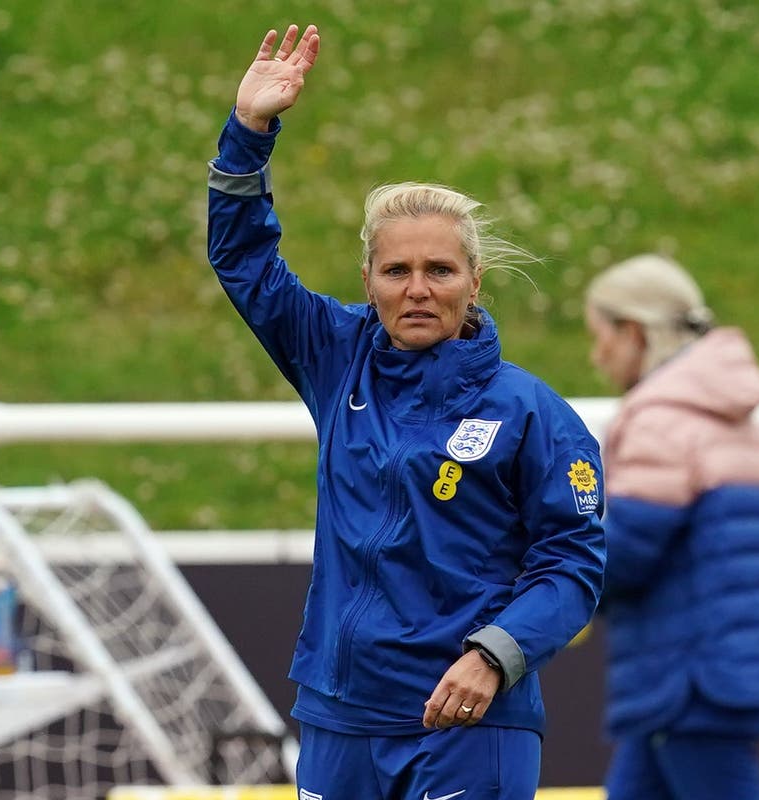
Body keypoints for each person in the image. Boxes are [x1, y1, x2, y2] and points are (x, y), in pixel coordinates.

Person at [206, 25, 606, 799]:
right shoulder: (334, 356)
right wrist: (249, 130)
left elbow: (573, 566)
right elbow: (244, 260)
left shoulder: (533, 413)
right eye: (397, 270)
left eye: (438, 269)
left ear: (474, 282)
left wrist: (494, 655)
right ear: (369, 279)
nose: (417, 287)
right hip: (340, 716)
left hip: (466, 721)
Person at [583, 254, 759, 800]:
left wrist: (550, 563)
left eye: (600, 336)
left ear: (634, 332)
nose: (596, 354)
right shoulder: (732, 415)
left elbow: (627, 552)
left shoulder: (662, 419)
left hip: (683, 680)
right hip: (711, 672)